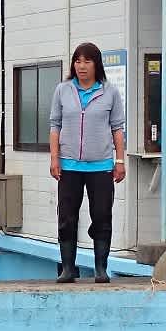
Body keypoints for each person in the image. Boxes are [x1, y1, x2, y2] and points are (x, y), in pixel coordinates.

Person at [49, 42, 126, 284]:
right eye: (78, 61)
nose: (81, 66)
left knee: (102, 215)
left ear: (97, 64)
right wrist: (54, 158)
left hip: (101, 166)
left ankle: (101, 268)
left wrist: (120, 160)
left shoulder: (110, 92)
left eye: (87, 61)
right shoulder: (62, 90)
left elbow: (117, 129)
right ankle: (69, 268)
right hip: (69, 166)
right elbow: (55, 126)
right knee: (67, 218)